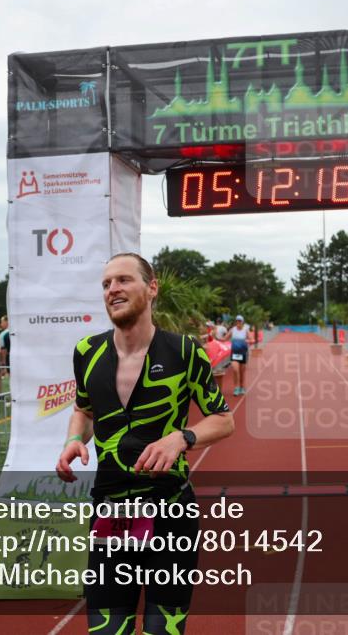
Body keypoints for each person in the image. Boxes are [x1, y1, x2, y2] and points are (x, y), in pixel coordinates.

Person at [56, 253, 233, 635]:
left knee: (162, 629)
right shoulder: (87, 352)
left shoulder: (184, 352)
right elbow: (84, 409)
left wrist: (182, 438)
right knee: (107, 629)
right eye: (106, 284)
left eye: (123, 280)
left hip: (170, 513)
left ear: (152, 288)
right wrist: (73, 439)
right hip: (110, 512)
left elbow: (223, 419)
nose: (112, 289)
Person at [229, 314, 252, 396]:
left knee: (242, 372)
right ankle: (236, 388)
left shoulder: (246, 330)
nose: (238, 322)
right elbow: (224, 338)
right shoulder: (232, 330)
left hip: (243, 353)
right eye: (237, 321)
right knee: (235, 370)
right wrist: (215, 338)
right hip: (234, 353)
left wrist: (248, 341)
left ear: (242, 322)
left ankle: (242, 387)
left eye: (240, 321)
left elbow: (252, 339)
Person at [0, 315, 10, 394]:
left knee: (11, 378)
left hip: (8, 358)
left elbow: (2, 350)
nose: (1, 324)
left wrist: (3, 363)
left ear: (7, 322)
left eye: (2, 322)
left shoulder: (3, 334)